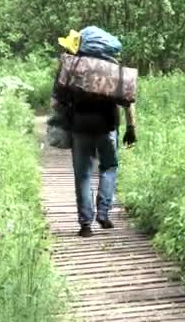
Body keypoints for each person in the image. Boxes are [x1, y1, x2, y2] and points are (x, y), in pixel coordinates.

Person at [50, 55, 137, 238]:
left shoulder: (75, 67)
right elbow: (128, 103)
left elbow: (56, 102)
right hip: (107, 128)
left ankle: (85, 225)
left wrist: (63, 121)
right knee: (109, 167)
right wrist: (131, 127)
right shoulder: (113, 68)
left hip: (80, 128)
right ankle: (104, 215)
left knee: (83, 175)